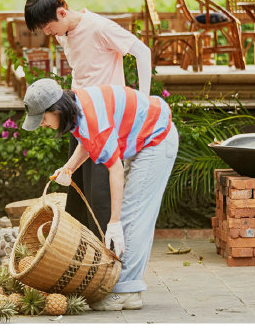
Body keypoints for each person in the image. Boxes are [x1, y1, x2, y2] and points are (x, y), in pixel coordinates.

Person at [21, 78, 178, 311]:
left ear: (56, 110)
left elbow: (113, 169)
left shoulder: (91, 117)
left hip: (156, 140)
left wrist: (114, 222)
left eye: (42, 118)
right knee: (129, 215)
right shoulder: (77, 109)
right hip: (143, 139)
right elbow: (89, 142)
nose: (42, 124)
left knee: (131, 216)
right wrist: (69, 168)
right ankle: (126, 286)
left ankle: (127, 292)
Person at [24, 0, 152, 240]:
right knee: (77, 196)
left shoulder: (99, 27)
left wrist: (143, 101)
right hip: (79, 118)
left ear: (62, 12)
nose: (48, 34)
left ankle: (112, 266)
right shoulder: (64, 35)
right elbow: (82, 70)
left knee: (101, 197)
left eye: (48, 27)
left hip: (105, 121)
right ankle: (82, 260)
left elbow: (143, 52)